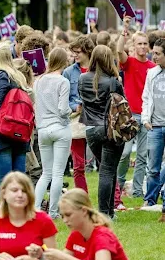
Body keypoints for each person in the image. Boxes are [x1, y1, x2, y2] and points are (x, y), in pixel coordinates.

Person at [78, 45, 125, 218]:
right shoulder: (113, 81)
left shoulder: (82, 78)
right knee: (107, 171)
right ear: (108, 59)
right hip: (109, 129)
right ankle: (104, 214)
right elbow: (122, 103)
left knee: (108, 169)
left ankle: (110, 212)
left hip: (90, 130)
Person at [0, 42, 31, 185]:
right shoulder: (18, 76)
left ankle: (6, 208)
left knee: (5, 185)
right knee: (19, 185)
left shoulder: (1, 76)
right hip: (19, 132)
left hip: (1, 134)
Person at [116, 17, 152, 203]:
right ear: (134, 45)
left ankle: (137, 191)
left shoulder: (153, 68)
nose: (143, 47)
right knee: (124, 153)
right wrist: (125, 29)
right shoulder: (129, 62)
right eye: (139, 43)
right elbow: (118, 50)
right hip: (129, 115)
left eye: (145, 43)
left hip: (146, 115)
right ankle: (119, 184)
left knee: (142, 156)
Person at [34, 48, 72, 219]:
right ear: (64, 62)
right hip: (59, 127)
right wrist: (70, 112)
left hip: (43, 128)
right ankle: (53, 212)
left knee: (46, 173)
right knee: (57, 174)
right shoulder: (63, 81)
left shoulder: (38, 81)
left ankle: (35, 209)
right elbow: (63, 109)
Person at [63, 35, 94, 192]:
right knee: (78, 165)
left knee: (105, 163)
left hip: (97, 119)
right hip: (76, 121)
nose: (74, 55)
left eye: (78, 52)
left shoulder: (97, 69)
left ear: (87, 51)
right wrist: (75, 107)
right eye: (73, 52)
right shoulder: (68, 72)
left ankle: (114, 201)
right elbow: (64, 99)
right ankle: (83, 200)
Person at [139, 38, 165, 221]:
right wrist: (145, 118)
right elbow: (146, 97)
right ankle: (150, 200)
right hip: (154, 126)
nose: (153, 56)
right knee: (153, 167)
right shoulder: (152, 73)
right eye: (153, 52)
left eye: (158, 53)